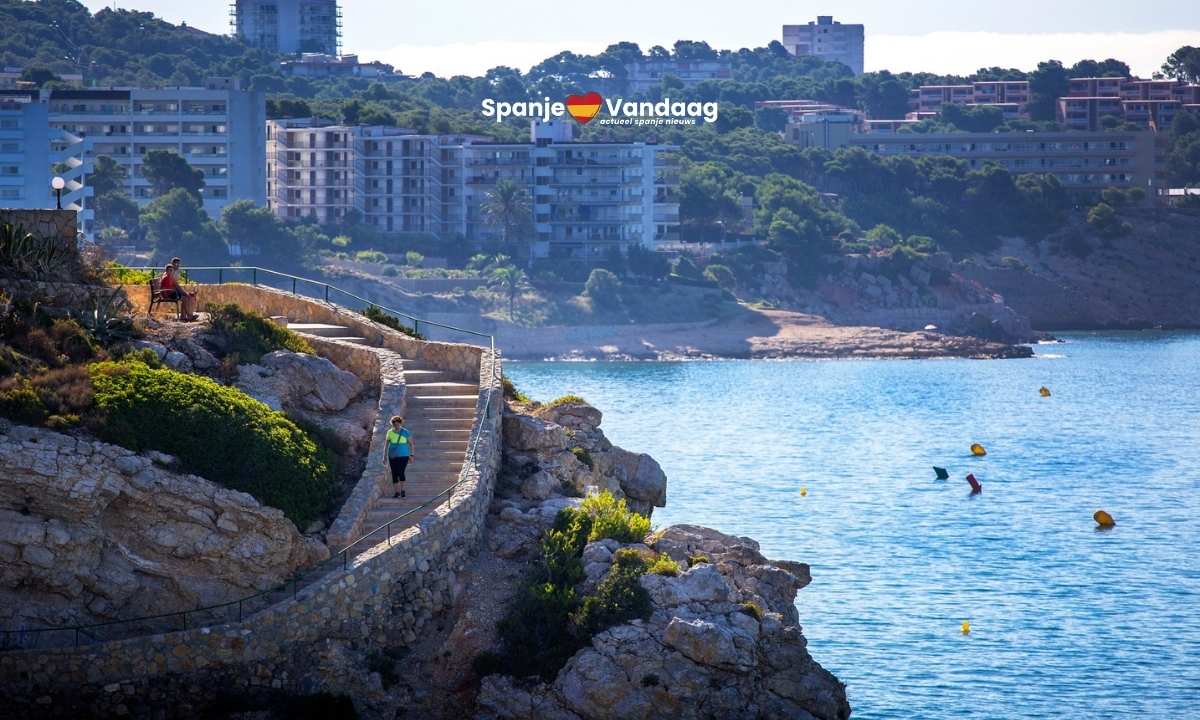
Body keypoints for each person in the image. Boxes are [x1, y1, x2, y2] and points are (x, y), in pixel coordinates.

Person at [385, 415, 415, 498]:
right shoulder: (389, 432)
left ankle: (402, 490)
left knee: (401, 472)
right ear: (392, 424)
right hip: (392, 455)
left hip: (403, 455)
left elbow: (411, 444)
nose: (396, 425)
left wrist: (412, 455)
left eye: (397, 423)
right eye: (394, 423)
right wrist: (384, 457)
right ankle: (396, 492)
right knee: (394, 474)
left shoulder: (405, 432)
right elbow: (386, 445)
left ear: (400, 423)